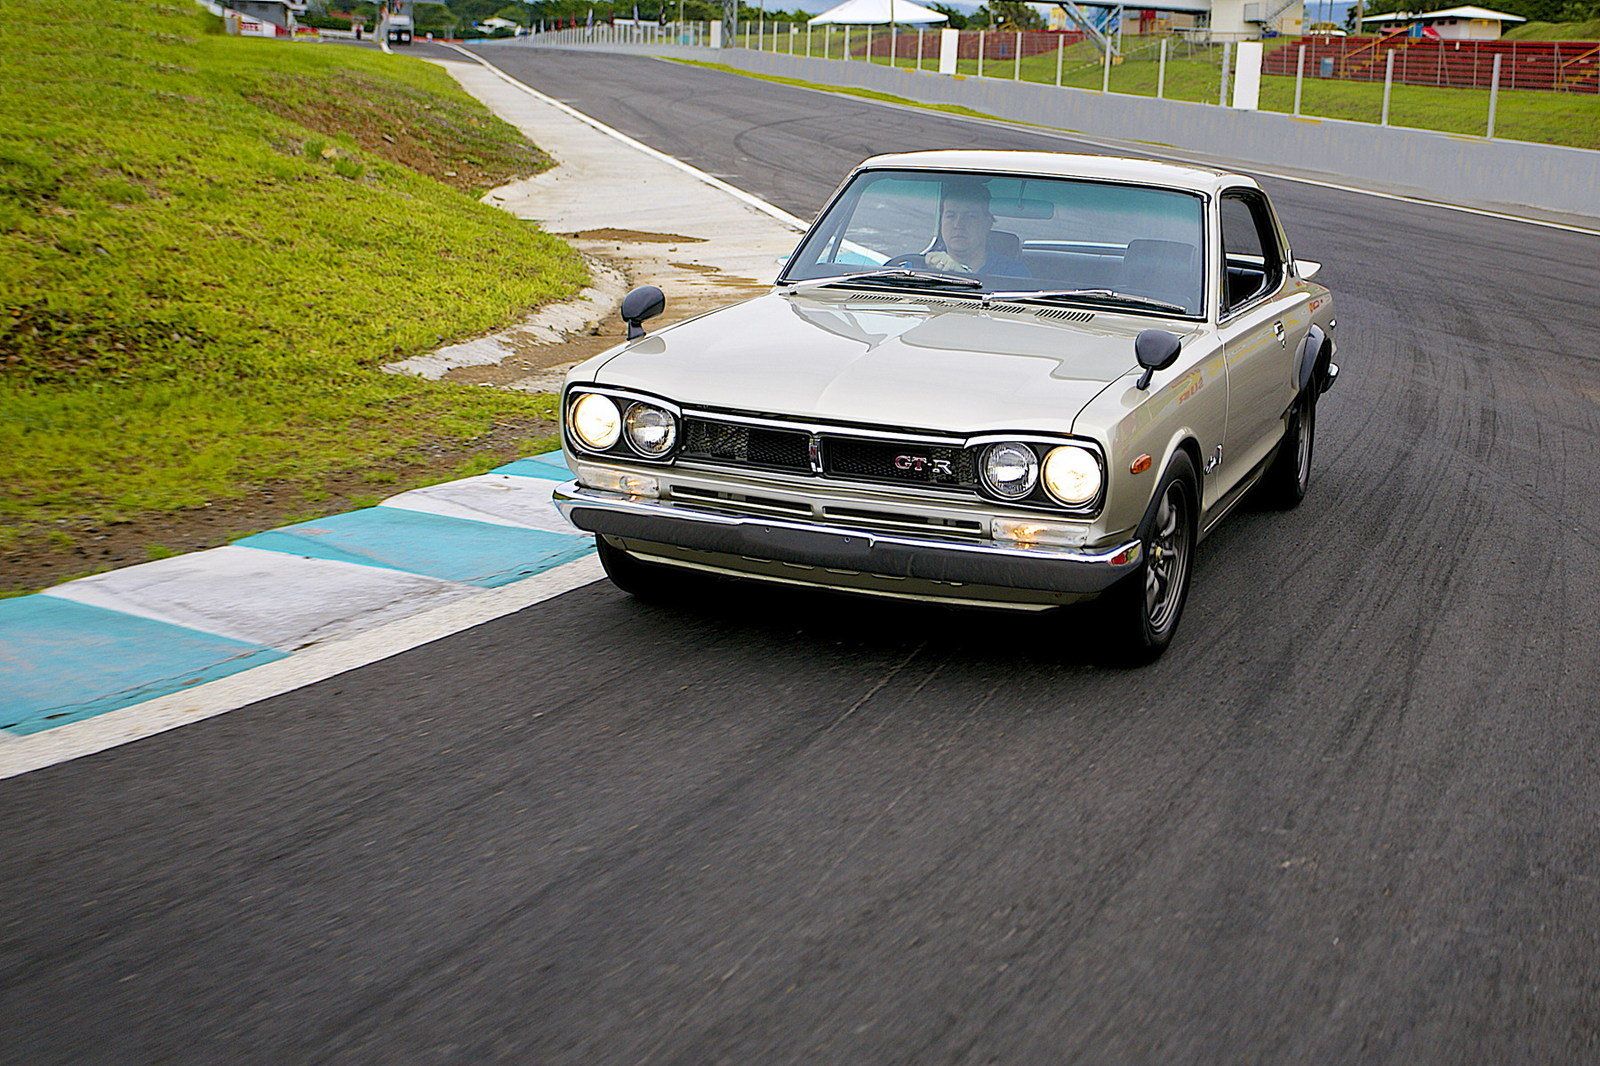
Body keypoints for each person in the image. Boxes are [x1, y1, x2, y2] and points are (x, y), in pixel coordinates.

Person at [923, 181, 1031, 279]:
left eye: (970, 216)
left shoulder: (1014, 273)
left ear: (987, 223)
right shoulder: (920, 267)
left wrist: (961, 273)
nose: (958, 224)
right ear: (941, 221)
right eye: (951, 216)